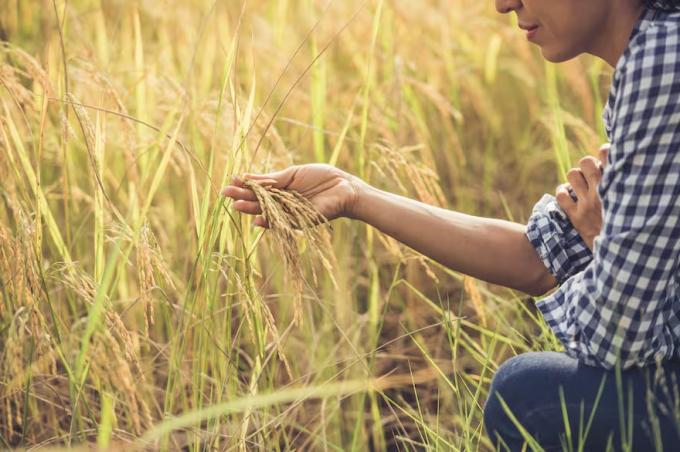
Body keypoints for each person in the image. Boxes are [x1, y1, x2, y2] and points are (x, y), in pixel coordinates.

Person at [222, 0, 680, 449]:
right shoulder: (652, 53)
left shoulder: (661, 67)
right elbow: (537, 257)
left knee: (528, 396)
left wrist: (600, 240)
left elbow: (618, 339)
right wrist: (354, 194)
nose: (504, 4)